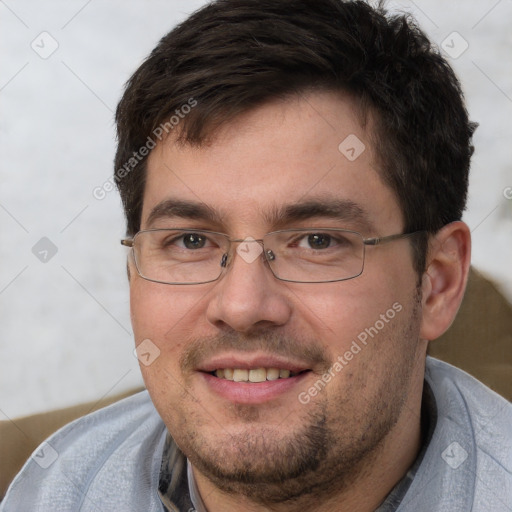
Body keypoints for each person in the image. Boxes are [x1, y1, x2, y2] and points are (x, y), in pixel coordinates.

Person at [2, 0, 511, 510]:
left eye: (317, 241)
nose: (242, 306)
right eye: (191, 241)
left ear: (437, 283)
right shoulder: (50, 494)